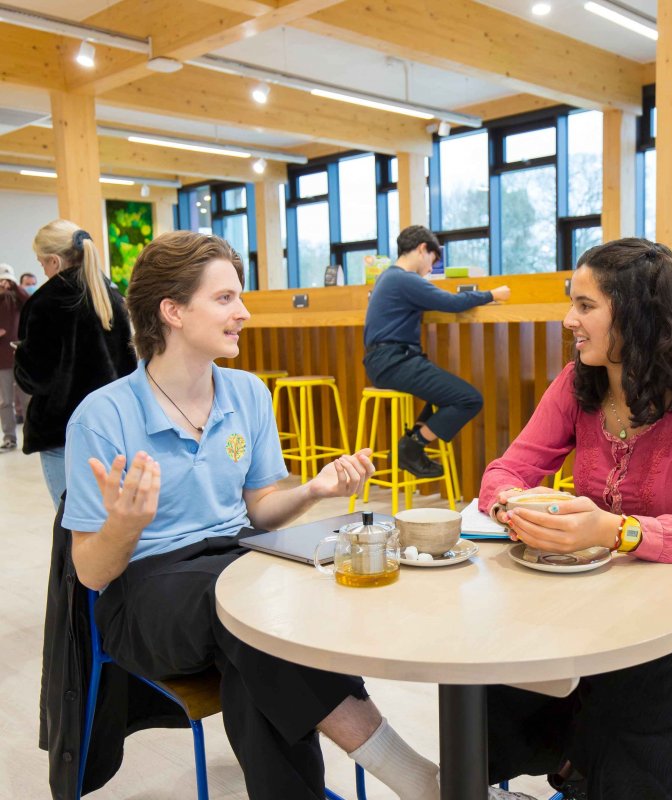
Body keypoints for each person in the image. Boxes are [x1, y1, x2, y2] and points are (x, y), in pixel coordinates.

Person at [62, 230, 463, 800]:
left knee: (259, 641)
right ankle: (423, 782)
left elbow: (262, 511)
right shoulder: (102, 417)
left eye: (239, 296)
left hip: (235, 559)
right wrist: (125, 525)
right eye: (224, 299)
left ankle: (423, 786)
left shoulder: (247, 394)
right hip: (145, 594)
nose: (243, 313)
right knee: (250, 613)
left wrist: (314, 491)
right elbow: (92, 574)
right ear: (172, 311)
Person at [479, 238, 672, 799]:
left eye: (586, 306)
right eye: (572, 303)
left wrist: (615, 530)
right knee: (496, 681)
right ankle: (571, 773)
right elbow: (505, 471)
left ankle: (592, 777)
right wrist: (514, 508)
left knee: (631, 721)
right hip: (604, 589)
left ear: (636, 312)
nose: (569, 320)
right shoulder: (577, 383)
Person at [364, 225, 510, 478]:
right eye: (432, 260)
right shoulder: (403, 279)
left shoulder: (387, 278)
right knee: (469, 399)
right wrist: (491, 294)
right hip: (393, 361)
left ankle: (412, 445)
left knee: (441, 396)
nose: (431, 269)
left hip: (385, 360)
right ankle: (411, 447)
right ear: (422, 249)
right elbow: (450, 302)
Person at [14, 220, 136, 507]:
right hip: (113, 427)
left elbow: (36, 377)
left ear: (54, 261)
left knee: (72, 527)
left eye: (42, 263)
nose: (42, 270)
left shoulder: (45, 303)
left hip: (64, 430)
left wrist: (21, 354)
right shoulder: (112, 296)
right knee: (114, 519)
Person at [0, 263, 28, 451]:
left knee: (27, 400)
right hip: (2, 362)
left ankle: (30, 436)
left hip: (20, 358)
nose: (4, 284)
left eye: (7, 280)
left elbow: (28, 300)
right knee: (5, 402)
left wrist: (13, 284)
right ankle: (10, 437)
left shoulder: (17, 300)